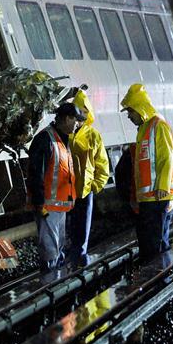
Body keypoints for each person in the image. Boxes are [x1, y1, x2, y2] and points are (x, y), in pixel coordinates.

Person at [120, 83, 173, 261]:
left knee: (156, 244)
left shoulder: (158, 125)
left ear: (140, 109)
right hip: (149, 197)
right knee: (149, 243)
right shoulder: (144, 129)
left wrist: (162, 185)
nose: (129, 117)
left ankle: (162, 280)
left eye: (131, 112)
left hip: (159, 195)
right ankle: (157, 278)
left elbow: (167, 157)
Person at [26, 102, 84, 271]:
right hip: (47, 206)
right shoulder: (45, 139)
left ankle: (56, 281)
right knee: (50, 249)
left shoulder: (61, 140)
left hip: (59, 207)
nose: (77, 124)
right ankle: (49, 283)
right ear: (66, 119)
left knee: (57, 247)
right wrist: (39, 202)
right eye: (76, 120)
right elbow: (36, 173)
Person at [67, 90, 110, 267]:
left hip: (85, 190)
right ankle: (70, 256)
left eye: (84, 112)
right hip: (66, 190)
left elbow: (102, 163)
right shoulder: (66, 134)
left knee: (82, 226)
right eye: (79, 112)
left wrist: (95, 185)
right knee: (69, 226)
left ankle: (79, 257)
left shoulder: (93, 135)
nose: (81, 116)